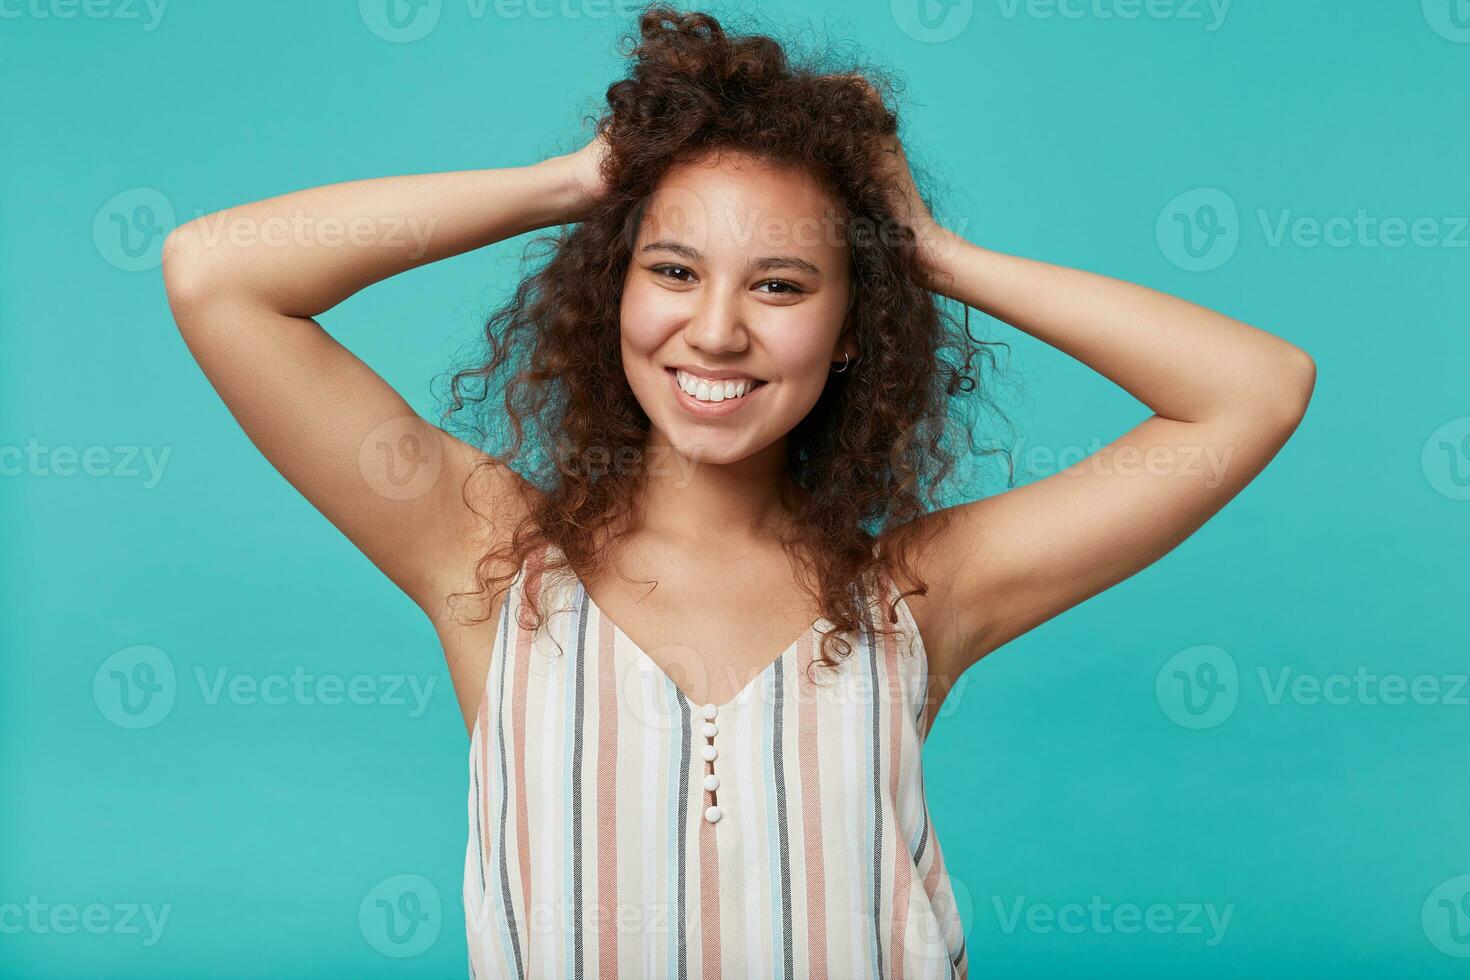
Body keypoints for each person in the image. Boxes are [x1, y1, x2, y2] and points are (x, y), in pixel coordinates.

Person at [161, 4, 1314, 977]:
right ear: (613, 287)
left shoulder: (914, 596)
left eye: (781, 282)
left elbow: (1254, 390)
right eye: (671, 268)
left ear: (854, 326)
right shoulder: (491, 562)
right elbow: (217, 276)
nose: (715, 330)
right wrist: (572, 183)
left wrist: (928, 249)